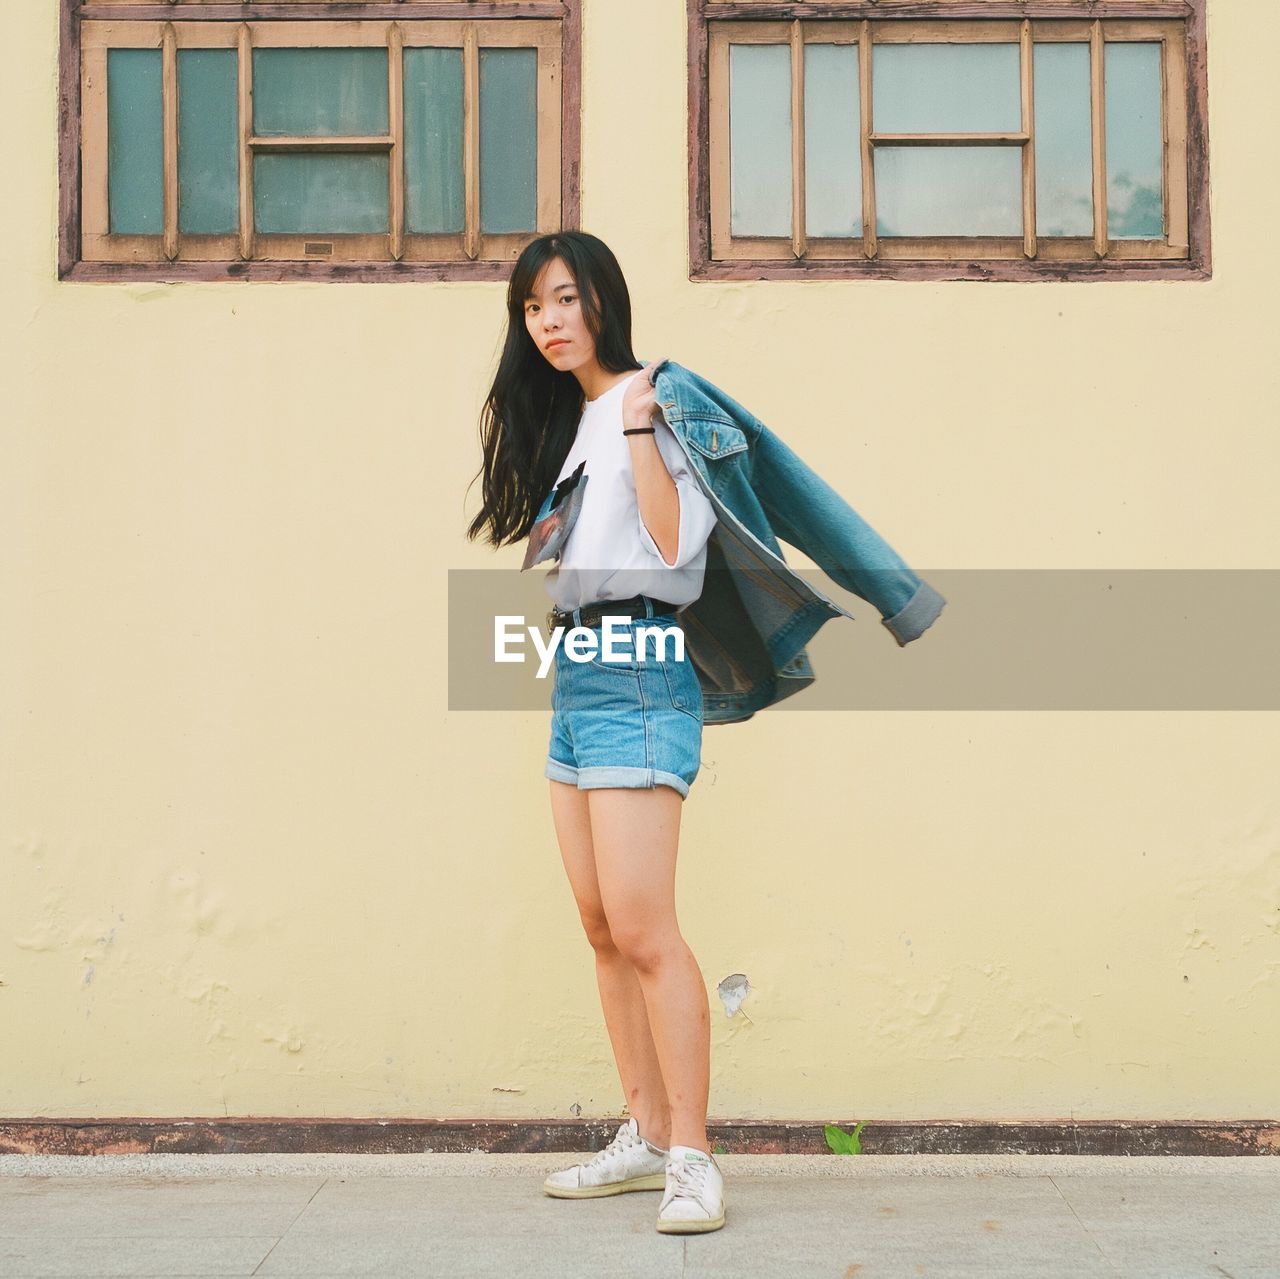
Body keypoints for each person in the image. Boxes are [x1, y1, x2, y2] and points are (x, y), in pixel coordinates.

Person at [466, 230, 727, 1235]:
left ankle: (695, 1158)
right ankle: (647, 1133)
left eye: (565, 298)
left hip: (642, 666)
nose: (548, 320)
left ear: (603, 303)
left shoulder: (654, 405)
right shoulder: (566, 422)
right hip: (576, 668)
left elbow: (669, 548)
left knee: (646, 928)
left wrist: (634, 428)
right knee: (599, 927)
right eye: (532, 307)